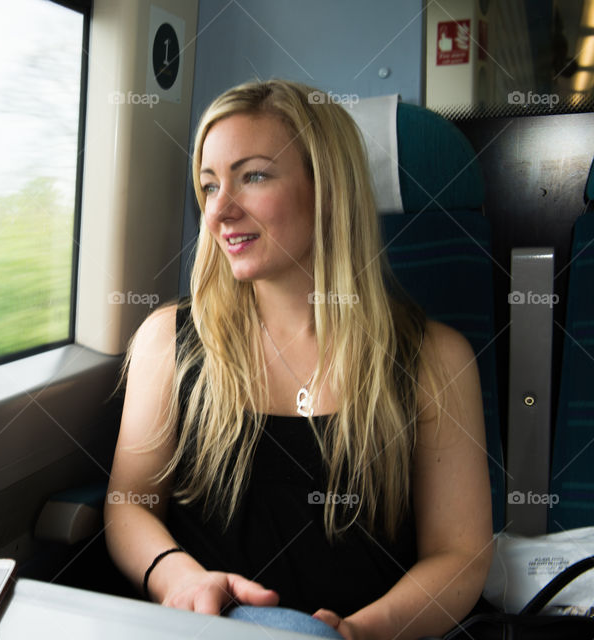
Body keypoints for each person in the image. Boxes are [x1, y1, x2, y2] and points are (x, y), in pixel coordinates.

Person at [103, 79, 493, 640]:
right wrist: (180, 581)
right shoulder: (167, 341)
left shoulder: (435, 360)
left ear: (327, 188)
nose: (220, 211)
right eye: (209, 185)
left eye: (253, 176)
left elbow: (459, 556)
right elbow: (129, 504)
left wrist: (359, 632)